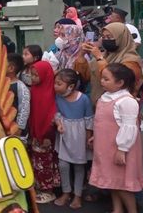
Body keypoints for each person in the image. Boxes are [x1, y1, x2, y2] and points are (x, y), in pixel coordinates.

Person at [89, 63, 143, 213]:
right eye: (102, 78)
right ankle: (117, 209)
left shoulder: (126, 101)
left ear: (120, 83)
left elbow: (129, 127)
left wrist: (122, 149)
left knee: (122, 184)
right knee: (112, 181)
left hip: (119, 149)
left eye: (106, 79)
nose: (102, 82)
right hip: (106, 147)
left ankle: (132, 210)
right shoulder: (106, 97)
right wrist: (96, 136)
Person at [74, 22, 143, 103]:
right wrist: (81, 55)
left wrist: (99, 58)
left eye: (109, 37)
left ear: (121, 38)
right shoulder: (105, 55)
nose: (106, 40)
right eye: (103, 37)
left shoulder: (131, 60)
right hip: (99, 104)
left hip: (119, 107)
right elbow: (85, 76)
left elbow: (117, 80)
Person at [53, 69, 93, 209]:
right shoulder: (58, 97)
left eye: (59, 83)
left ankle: (77, 196)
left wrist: (88, 138)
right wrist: (58, 124)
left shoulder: (83, 99)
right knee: (63, 165)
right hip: (64, 134)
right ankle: (66, 192)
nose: (55, 86)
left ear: (70, 86)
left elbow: (89, 120)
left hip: (79, 136)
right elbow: (56, 113)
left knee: (79, 166)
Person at [27, 61, 60, 203]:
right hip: (35, 133)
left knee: (46, 162)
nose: (33, 78)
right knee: (37, 162)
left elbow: (52, 114)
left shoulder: (51, 92)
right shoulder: (34, 89)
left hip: (47, 134)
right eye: (31, 74)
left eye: (36, 75)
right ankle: (40, 188)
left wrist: (47, 134)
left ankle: (49, 191)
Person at [6, 54, 30, 137]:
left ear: (11, 68)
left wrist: (19, 128)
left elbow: (24, 109)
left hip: (15, 131)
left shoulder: (21, 87)